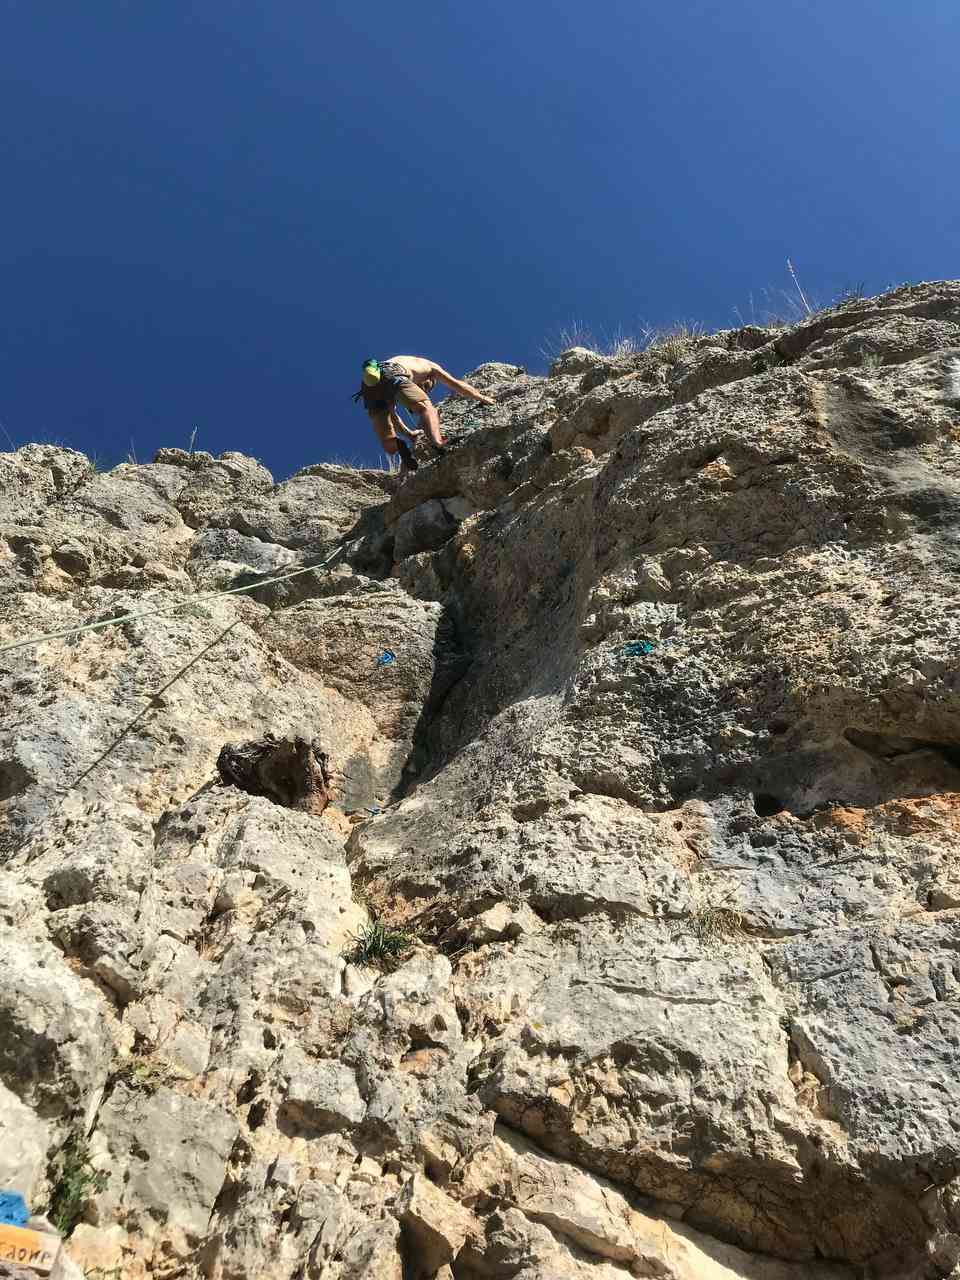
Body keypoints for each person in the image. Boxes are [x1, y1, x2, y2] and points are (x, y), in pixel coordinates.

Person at [356, 356, 495, 472]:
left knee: (388, 443)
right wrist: (481, 397)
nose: (424, 391)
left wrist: (409, 434)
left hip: (368, 389)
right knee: (427, 408)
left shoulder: (401, 363)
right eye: (427, 388)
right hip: (391, 373)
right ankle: (438, 443)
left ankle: (400, 447)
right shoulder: (431, 367)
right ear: (430, 379)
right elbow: (457, 385)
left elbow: (392, 416)